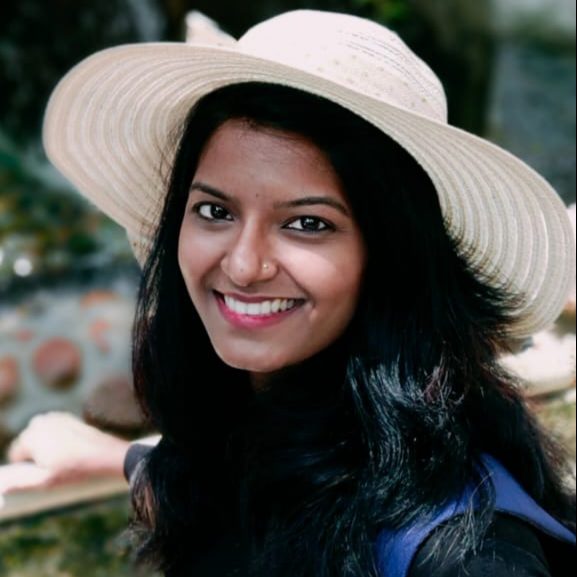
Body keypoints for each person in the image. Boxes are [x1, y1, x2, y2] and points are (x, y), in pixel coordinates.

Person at [2, 10, 576, 577]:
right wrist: (117, 461)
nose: (244, 265)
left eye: (307, 224)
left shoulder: (466, 551)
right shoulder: (263, 435)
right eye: (215, 211)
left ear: (392, 254)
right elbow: (242, 497)